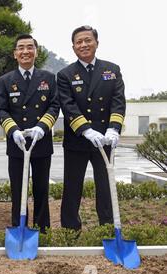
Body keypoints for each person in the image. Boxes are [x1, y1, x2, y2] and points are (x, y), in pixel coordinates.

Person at [57, 25, 126, 230]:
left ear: (96, 43)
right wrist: (86, 129)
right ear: (73, 47)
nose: (84, 44)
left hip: (104, 140)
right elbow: (67, 105)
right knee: (72, 188)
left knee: (105, 188)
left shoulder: (112, 70)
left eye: (88, 40)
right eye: (79, 42)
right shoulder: (65, 74)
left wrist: (114, 128)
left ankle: (107, 229)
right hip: (77, 140)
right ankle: (70, 231)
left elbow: (118, 101)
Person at [0, 34, 60, 233]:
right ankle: (19, 228)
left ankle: (43, 232)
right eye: (21, 48)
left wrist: (42, 127)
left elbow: (54, 105)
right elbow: (1, 109)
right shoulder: (5, 81)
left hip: (40, 143)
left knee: (41, 190)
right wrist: (13, 130)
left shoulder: (48, 78)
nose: (25, 51)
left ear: (36, 52)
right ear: (15, 54)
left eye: (29, 47)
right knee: (18, 190)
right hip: (17, 144)